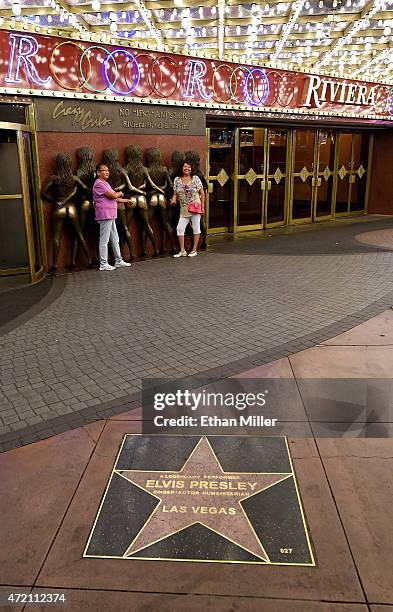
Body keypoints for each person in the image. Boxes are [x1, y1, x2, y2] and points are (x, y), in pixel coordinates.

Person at [93, 164, 132, 271]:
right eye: (104, 170)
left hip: (111, 215)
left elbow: (115, 198)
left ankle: (118, 260)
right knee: (104, 240)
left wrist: (126, 200)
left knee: (115, 238)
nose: (107, 172)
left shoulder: (105, 183)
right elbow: (114, 196)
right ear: (98, 173)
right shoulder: (98, 184)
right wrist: (120, 193)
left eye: (108, 170)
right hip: (105, 215)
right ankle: (103, 263)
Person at [171, 160, 205, 258]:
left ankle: (194, 250)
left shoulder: (195, 178)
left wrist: (202, 206)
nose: (187, 168)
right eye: (185, 167)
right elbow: (175, 194)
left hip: (195, 207)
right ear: (181, 168)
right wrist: (173, 200)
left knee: (196, 228)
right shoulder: (177, 180)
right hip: (184, 209)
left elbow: (202, 193)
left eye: (189, 167)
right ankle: (182, 250)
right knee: (179, 228)